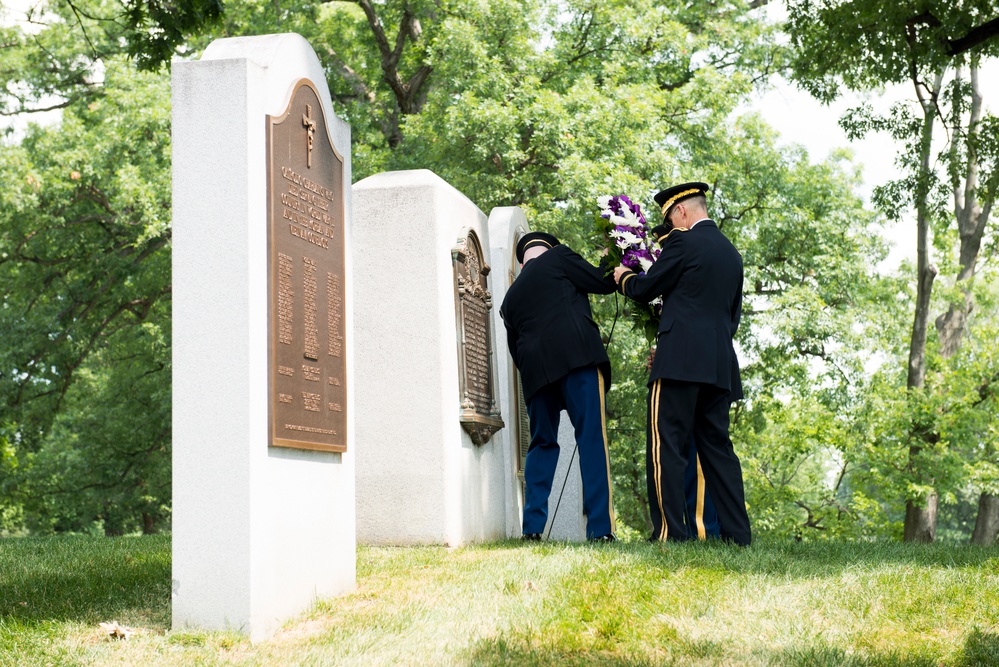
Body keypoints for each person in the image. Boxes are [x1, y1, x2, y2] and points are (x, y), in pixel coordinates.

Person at [614, 183, 751, 545]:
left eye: (670, 219)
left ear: (681, 213)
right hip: (719, 365)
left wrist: (623, 277)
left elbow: (646, 289)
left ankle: (671, 534)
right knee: (718, 450)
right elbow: (732, 317)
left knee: (667, 446)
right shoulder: (733, 255)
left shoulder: (682, 242)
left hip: (678, 363)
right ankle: (738, 535)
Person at [501, 231, 618, 542]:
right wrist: (611, 253)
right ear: (549, 249)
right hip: (578, 359)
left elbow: (516, 351)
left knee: (541, 445)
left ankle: (532, 529)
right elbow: (603, 282)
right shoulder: (560, 258)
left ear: (524, 261)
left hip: (536, 376)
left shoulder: (508, 300)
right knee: (591, 438)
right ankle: (600, 529)